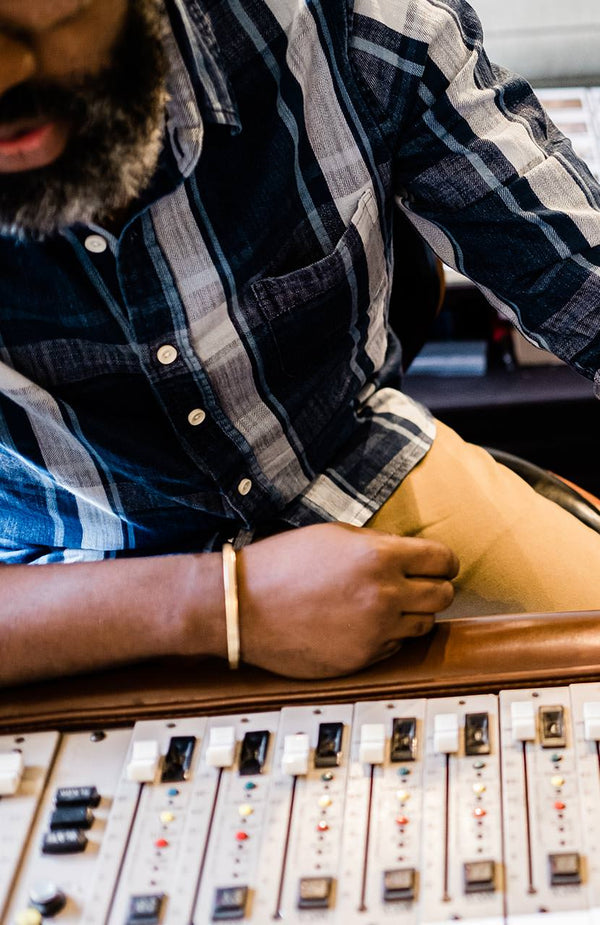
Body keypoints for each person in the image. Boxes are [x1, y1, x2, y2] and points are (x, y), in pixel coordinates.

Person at [0, 0, 599, 687]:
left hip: (359, 466)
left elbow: (575, 269)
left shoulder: (342, 19)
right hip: (52, 595)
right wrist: (228, 605)